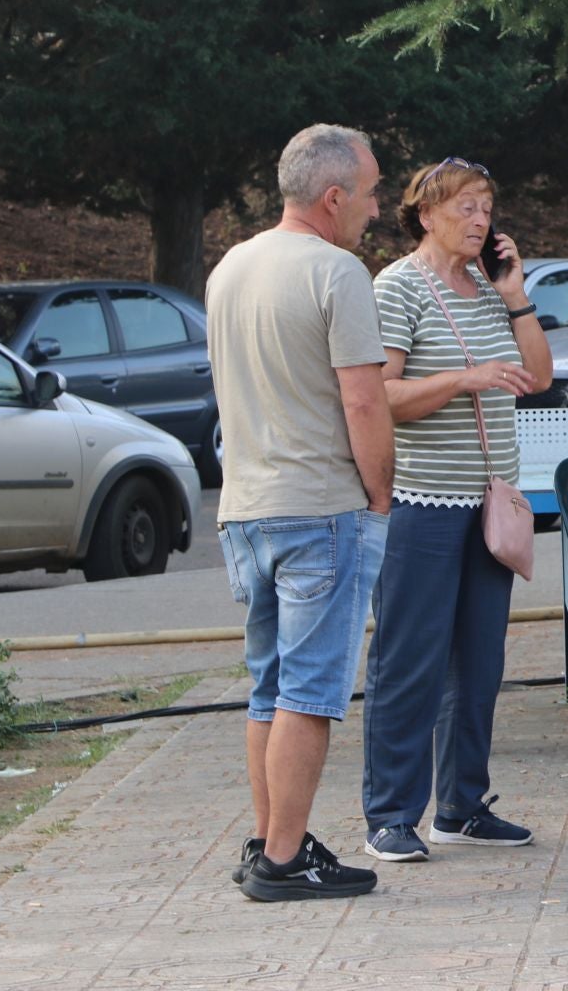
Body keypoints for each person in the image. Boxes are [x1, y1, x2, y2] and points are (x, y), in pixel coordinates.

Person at [209, 124, 395, 902]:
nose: (378, 208)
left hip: (245, 507)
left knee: (268, 688)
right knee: (311, 693)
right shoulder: (337, 271)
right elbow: (363, 396)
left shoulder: (230, 267)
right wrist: (380, 495)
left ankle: (268, 840)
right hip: (319, 507)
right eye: (373, 191)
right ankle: (285, 860)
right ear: (333, 196)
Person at [360, 157, 554, 863]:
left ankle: (462, 806)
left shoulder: (485, 289)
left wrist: (516, 296)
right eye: (465, 207)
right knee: (409, 661)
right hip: (421, 504)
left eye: (486, 207)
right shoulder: (396, 289)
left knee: (479, 664)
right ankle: (389, 814)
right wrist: (463, 378)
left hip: (489, 506)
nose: (479, 221)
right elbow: (381, 394)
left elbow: (537, 375)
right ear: (425, 215)